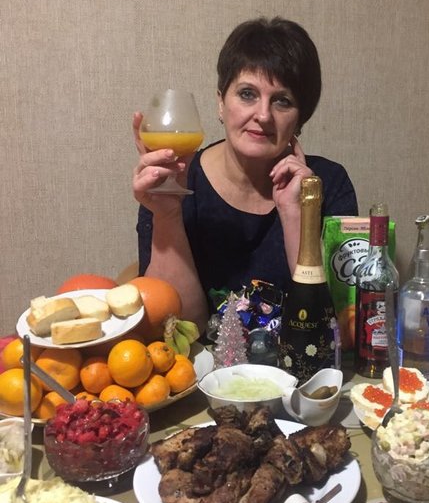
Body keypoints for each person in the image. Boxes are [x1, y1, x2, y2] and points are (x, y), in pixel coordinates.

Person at [133, 17, 358, 333]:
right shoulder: (175, 182)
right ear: (221, 102)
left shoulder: (328, 184)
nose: (263, 115)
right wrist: (167, 213)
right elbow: (180, 328)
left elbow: (332, 328)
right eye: (248, 94)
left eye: (282, 101)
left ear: (300, 119)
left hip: (300, 362)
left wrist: (295, 214)